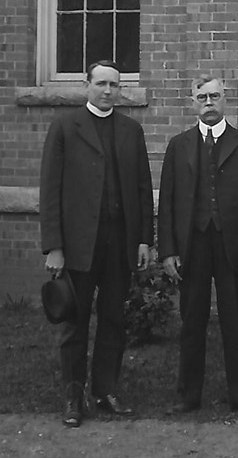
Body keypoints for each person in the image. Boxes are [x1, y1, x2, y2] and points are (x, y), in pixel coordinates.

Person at [39, 60, 154, 428]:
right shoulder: (65, 128)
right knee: (75, 321)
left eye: (114, 85)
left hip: (118, 242)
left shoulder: (130, 130)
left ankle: (105, 390)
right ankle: (73, 395)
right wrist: (54, 246)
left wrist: (143, 240)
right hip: (77, 244)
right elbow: (50, 189)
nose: (108, 91)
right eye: (101, 83)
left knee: (113, 319)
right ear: (87, 85)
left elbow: (140, 188)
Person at [158, 76, 238, 413]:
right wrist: (168, 250)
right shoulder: (179, 145)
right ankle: (188, 395)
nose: (209, 102)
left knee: (234, 322)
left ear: (225, 101)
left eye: (215, 96)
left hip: (232, 245)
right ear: (193, 102)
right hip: (192, 244)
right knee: (192, 320)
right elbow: (167, 202)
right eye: (202, 97)